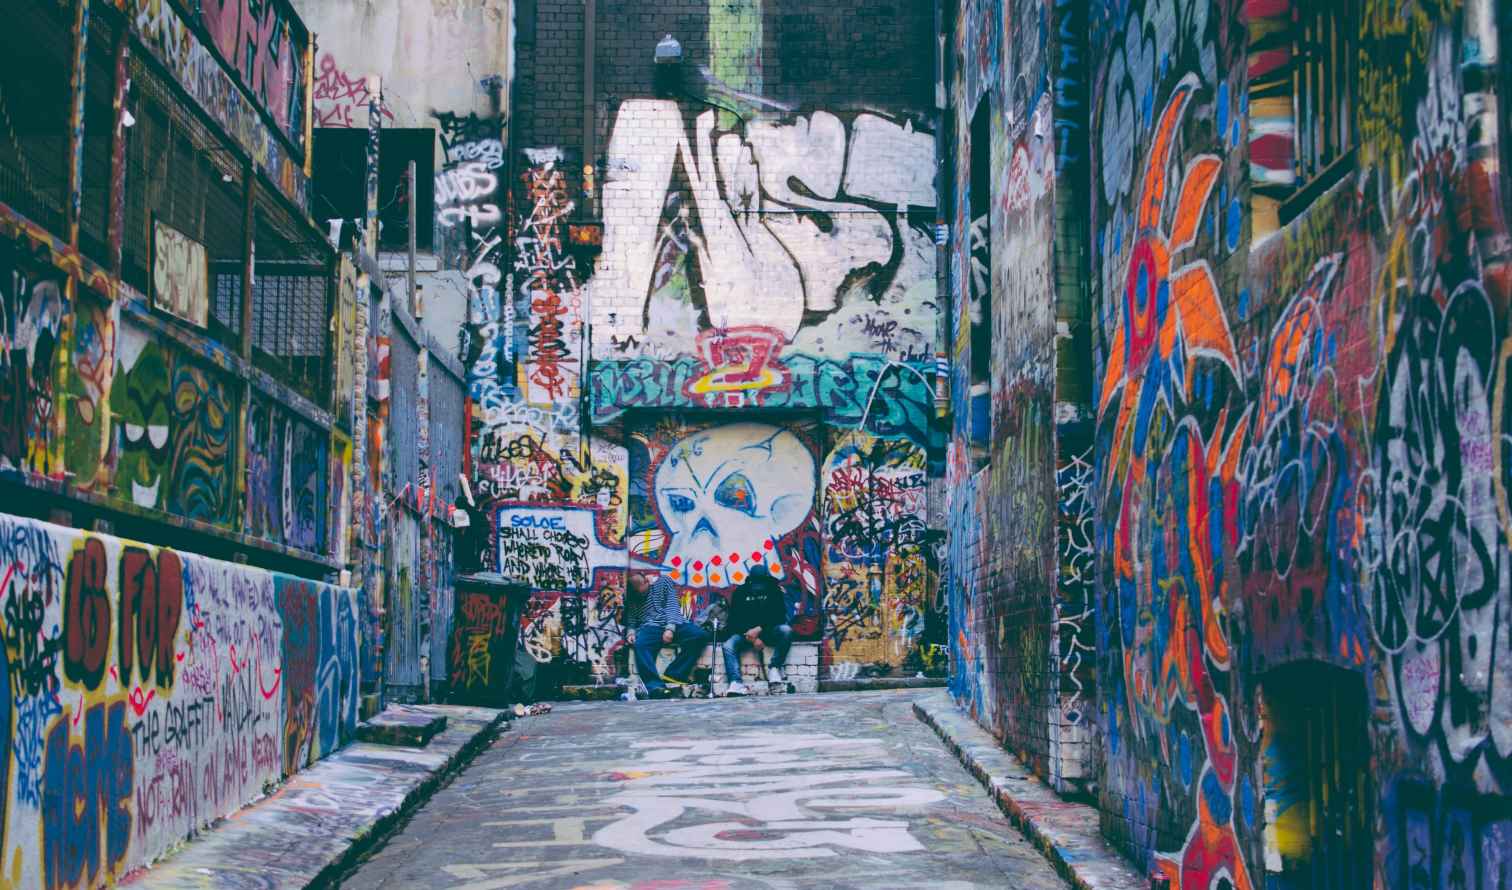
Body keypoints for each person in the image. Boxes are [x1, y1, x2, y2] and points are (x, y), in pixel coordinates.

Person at [625, 570, 712, 698]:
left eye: (641, 590)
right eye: (637, 592)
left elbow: (672, 606)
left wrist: (670, 629)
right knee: (640, 645)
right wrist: (630, 632)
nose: (640, 594)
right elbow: (631, 616)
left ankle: (674, 674)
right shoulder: (634, 593)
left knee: (699, 636)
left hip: (675, 623)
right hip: (651, 627)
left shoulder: (664, 582)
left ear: (647, 581)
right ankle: (654, 686)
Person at [721, 564, 792, 696]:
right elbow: (735, 619)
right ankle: (736, 683)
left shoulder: (774, 590)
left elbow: (779, 615)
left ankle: (774, 667)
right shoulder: (741, 592)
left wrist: (760, 629)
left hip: (768, 630)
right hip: (745, 633)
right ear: (750, 579)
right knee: (728, 646)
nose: (758, 587)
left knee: (786, 630)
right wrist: (753, 637)